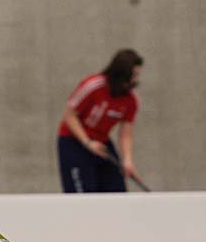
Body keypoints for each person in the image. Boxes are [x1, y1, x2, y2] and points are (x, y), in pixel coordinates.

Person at [57, 49, 144, 192]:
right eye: (133, 75)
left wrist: (127, 160)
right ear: (121, 73)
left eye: (137, 75)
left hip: (101, 143)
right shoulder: (93, 86)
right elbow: (69, 115)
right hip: (74, 141)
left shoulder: (131, 99)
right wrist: (87, 142)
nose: (135, 80)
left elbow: (126, 133)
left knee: (116, 189)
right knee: (83, 194)